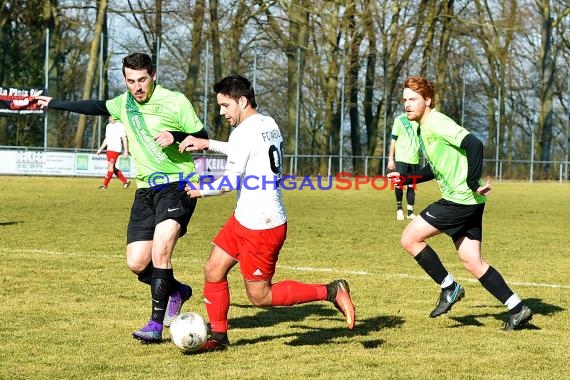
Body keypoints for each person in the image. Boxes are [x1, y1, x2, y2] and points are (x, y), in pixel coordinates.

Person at [36, 52, 209, 343]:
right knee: (137, 262)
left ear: (153, 76)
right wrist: (55, 103)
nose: (137, 87)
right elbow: (95, 106)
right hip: (144, 190)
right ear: (125, 80)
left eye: (142, 80)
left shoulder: (176, 100)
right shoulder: (124, 103)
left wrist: (176, 137)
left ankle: (155, 325)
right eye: (131, 81)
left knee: (161, 250)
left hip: (178, 184)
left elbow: (202, 135)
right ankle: (177, 291)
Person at [178, 74, 355, 351]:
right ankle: (219, 337)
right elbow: (245, 150)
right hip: (244, 218)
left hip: (262, 225)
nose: (222, 112)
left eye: (225, 106)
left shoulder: (243, 132)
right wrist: (208, 144)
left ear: (242, 101)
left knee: (260, 297)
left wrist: (199, 190)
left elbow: (230, 182)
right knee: (213, 269)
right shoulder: (267, 123)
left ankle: (331, 290)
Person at [387, 76, 532, 331]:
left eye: (413, 100)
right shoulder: (422, 127)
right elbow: (435, 169)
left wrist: (473, 181)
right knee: (472, 261)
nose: (407, 105)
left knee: (410, 238)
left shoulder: (438, 122)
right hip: (470, 201)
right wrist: (407, 178)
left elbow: (475, 144)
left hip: (460, 200)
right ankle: (518, 308)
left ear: (428, 100)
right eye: (404, 100)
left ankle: (450, 287)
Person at [387, 113, 421, 220]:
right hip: (401, 158)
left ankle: (410, 212)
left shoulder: (419, 120)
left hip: (415, 159)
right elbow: (393, 140)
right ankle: (399, 209)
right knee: (399, 184)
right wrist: (391, 159)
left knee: (411, 186)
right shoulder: (399, 120)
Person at [95, 116, 131, 190]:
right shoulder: (108, 126)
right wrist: (100, 149)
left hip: (116, 149)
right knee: (112, 168)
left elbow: (124, 138)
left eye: (111, 117)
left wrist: (126, 151)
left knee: (110, 167)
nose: (110, 118)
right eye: (109, 117)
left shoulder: (120, 125)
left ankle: (105, 185)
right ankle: (126, 181)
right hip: (109, 149)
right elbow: (107, 139)